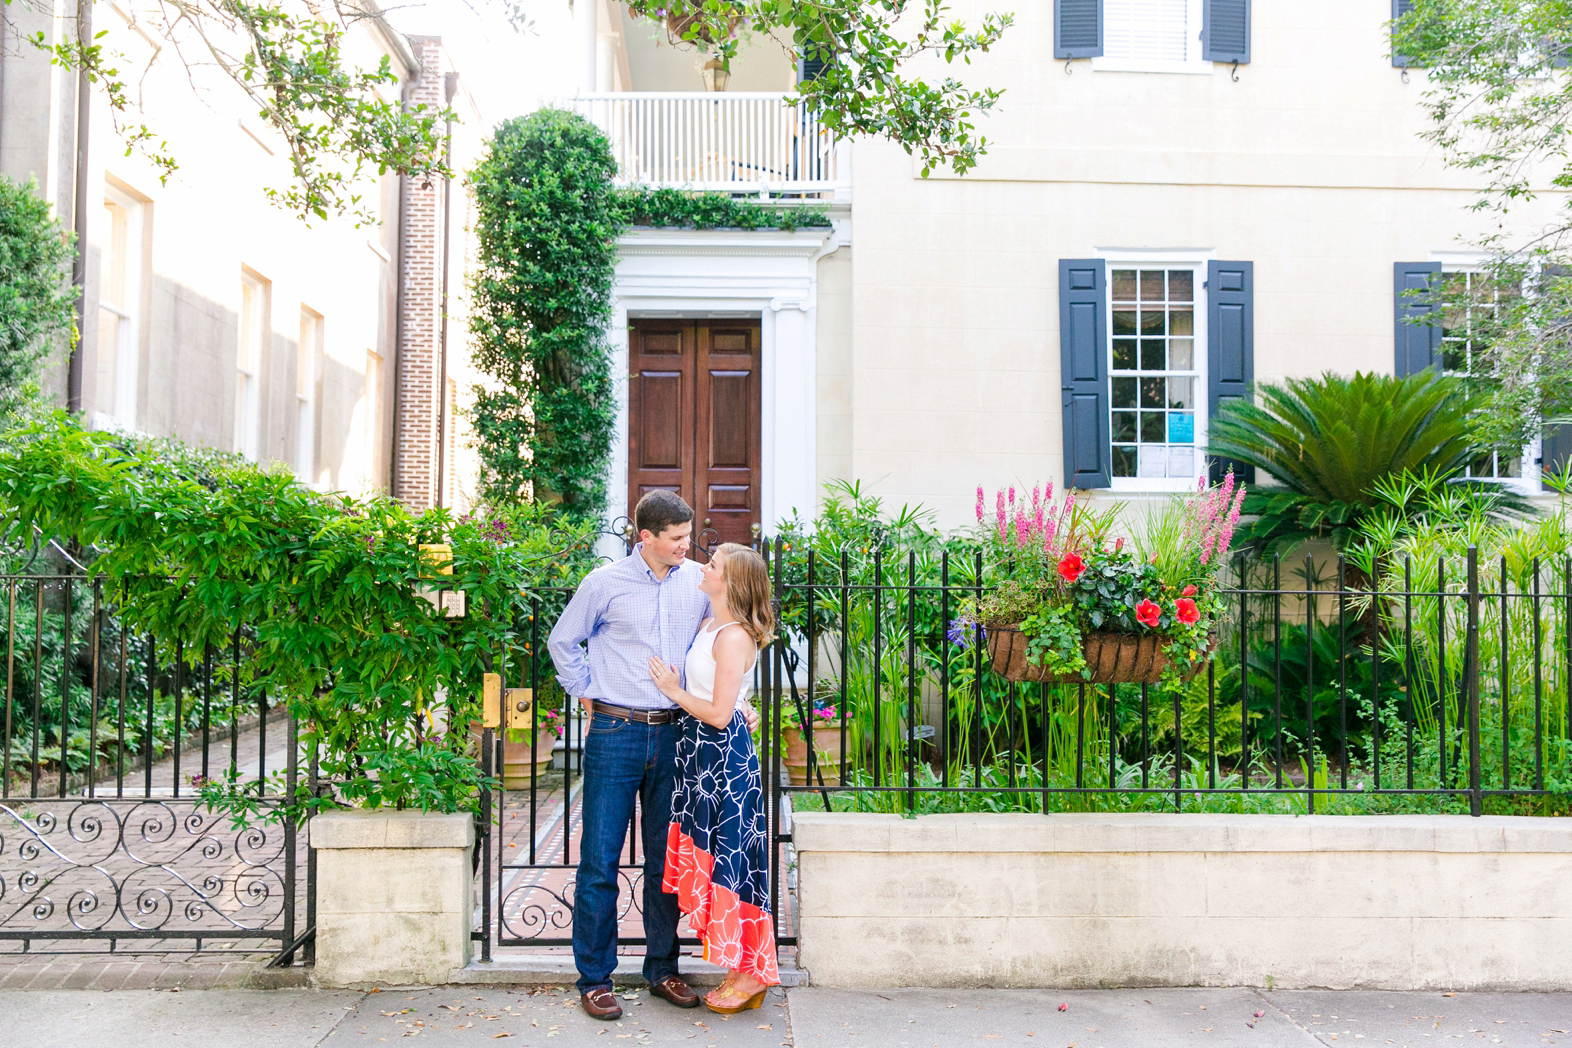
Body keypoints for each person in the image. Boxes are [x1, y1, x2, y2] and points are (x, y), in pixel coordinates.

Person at [547, 490, 711, 1021]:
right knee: (599, 859)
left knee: (667, 862)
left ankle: (663, 969)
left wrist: (735, 700)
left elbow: (724, 640)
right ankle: (595, 978)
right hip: (615, 733)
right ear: (646, 537)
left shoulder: (698, 582)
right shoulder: (604, 583)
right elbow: (562, 641)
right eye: (678, 539)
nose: (688, 546)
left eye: (689, 536)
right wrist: (586, 690)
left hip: (674, 734)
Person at [647, 542, 780, 1014]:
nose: (705, 567)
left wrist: (672, 690)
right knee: (718, 854)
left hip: (721, 762)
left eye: (714, 565)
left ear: (733, 582)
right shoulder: (711, 624)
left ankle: (752, 973)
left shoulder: (735, 636)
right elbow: (729, 698)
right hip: (699, 759)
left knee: (733, 861)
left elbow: (721, 715)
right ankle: (740, 967)